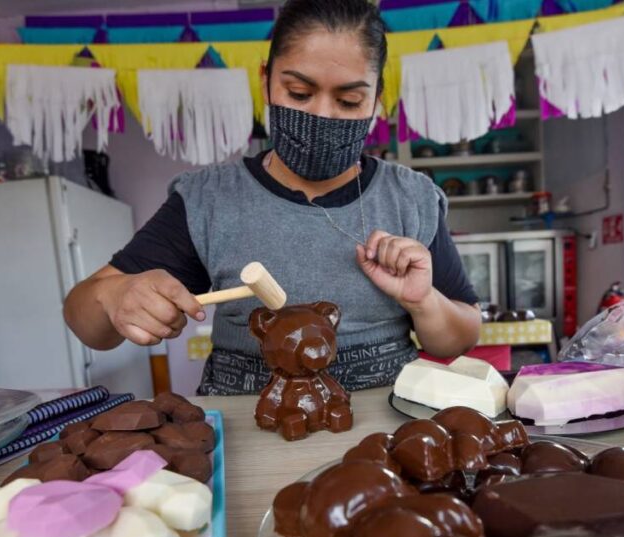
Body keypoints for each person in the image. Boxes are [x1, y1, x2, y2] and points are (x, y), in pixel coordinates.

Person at [64, 0, 482, 395]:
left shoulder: (411, 197)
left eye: (349, 100)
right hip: (249, 429)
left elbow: (460, 338)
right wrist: (114, 297)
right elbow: (84, 320)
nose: (322, 115)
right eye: (299, 93)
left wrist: (423, 301)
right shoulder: (210, 199)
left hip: (386, 431)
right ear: (265, 80)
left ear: (377, 98)